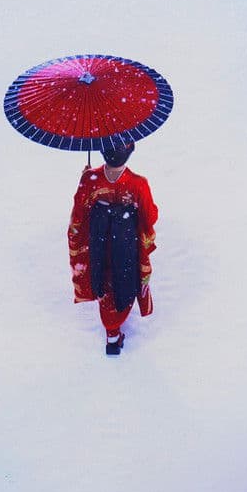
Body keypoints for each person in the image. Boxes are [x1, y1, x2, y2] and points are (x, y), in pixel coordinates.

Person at [67, 141, 158, 356]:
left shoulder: (90, 179)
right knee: (124, 281)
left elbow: (79, 213)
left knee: (104, 282)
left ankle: (113, 333)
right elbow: (150, 216)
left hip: (99, 244)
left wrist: (86, 179)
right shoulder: (139, 184)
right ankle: (113, 334)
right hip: (126, 245)